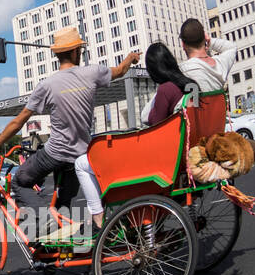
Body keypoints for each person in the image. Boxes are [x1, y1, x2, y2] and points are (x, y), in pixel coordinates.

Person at [0, 27, 139, 243]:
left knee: (19, 181)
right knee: (63, 206)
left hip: (54, 154)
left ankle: (45, 220)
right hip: (80, 156)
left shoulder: (47, 85)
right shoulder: (93, 73)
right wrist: (130, 58)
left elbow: (19, 121)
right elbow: (120, 70)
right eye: (79, 50)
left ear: (58, 54)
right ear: (75, 52)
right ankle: (57, 243)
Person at [74, 42, 187, 231]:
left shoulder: (166, 89)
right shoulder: (182, 85)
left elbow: (155, 125)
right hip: (173, 153)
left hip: (156, 158)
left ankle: (99, 220)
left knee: (81, 164)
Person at [179, 18, 236, 93]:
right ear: (204, 38)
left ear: (183, 44)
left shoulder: (182, 71)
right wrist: (210, 41)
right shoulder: (220, 66)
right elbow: (231, 47)